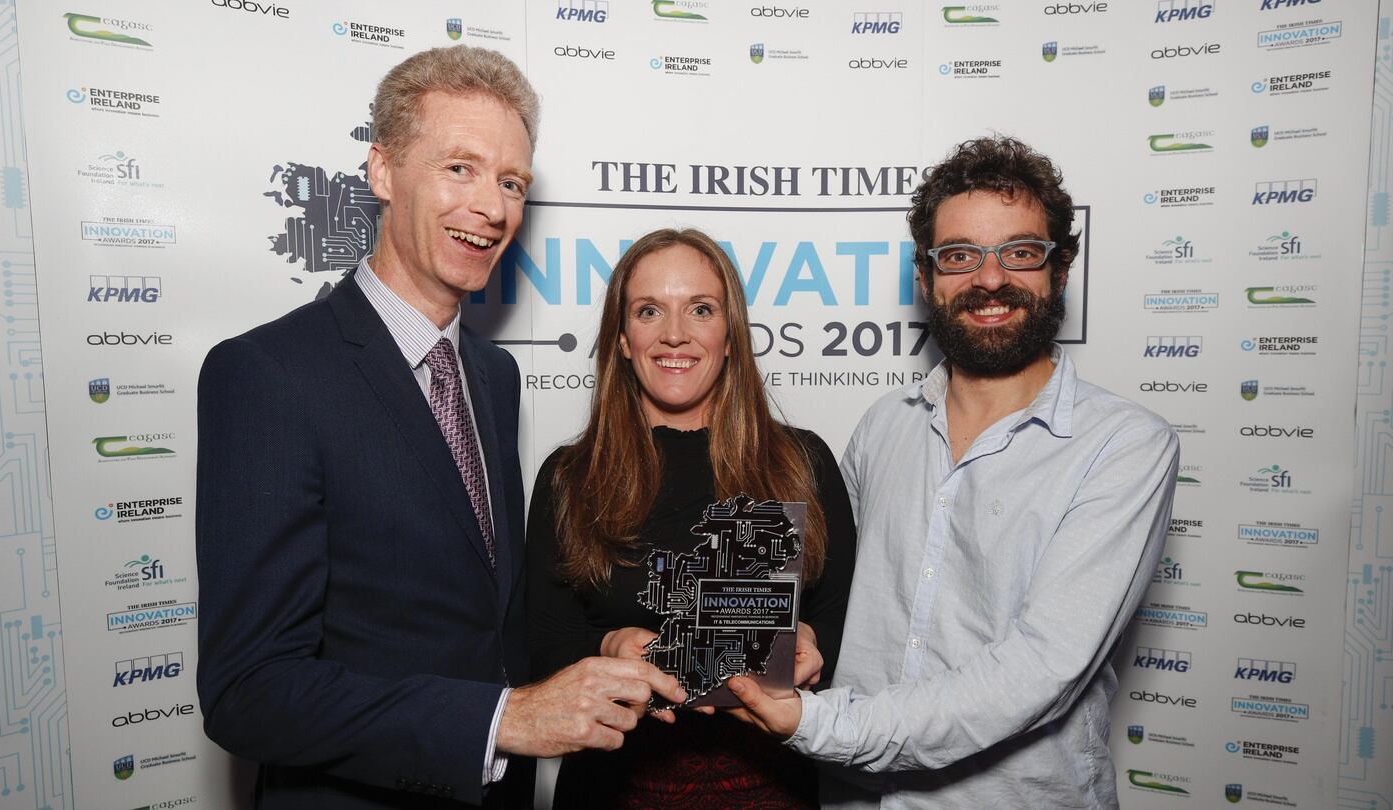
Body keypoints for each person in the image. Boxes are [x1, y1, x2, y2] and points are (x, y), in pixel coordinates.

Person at [196, 45, 683, 810]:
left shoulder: (493, 376)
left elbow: (485, 617)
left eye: (512, 181)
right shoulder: (269, 374)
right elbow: (249, 690)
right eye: (461, 167)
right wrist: (500, 720)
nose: (492, 207)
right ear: (383, 171)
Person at [727, 136, 1179, 808]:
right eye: (960, 256)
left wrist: (818, 723)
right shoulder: (885, 426)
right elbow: (830, 588)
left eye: (1020, 253)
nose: (990, 280)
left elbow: (1038, 670)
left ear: (1060, 269)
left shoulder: (1124, 446)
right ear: (926, 275)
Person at [526, 228, 857, 808]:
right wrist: (608, 645)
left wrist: (809, 641)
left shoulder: (800, 462)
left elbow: (843, 619)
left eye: (700, 309)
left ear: (730, 336)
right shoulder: (569, 477)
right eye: (649, 310)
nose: (674, 334)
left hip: (770, 789)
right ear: (623, 339)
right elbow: (539, 650)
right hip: (613, 791)